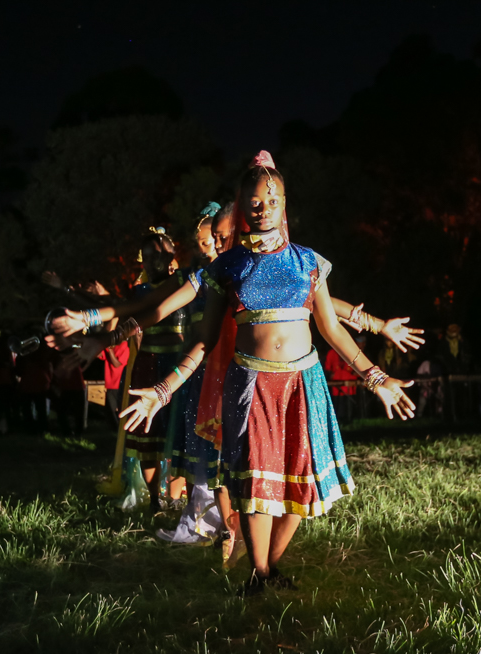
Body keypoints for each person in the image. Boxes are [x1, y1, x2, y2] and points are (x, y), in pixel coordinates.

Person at [61, 152, 415, 593]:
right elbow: (203, 340)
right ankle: (260, 575)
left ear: (285, 204)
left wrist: (377, 378)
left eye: (272, 198)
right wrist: (162, 388)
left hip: (304, 385)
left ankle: (270, 567)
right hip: (250, 384)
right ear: (242, 205)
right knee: (253, 483)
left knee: (300, 485)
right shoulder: (226, 267)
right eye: (253, 199)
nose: (262, 206)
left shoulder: (309, 262)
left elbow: (332, 329)